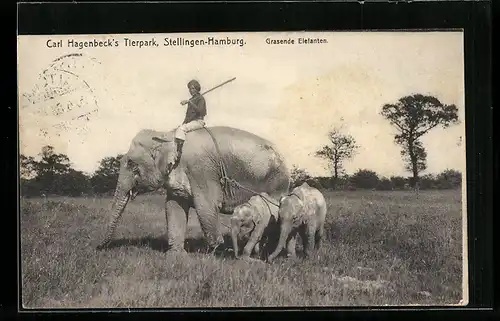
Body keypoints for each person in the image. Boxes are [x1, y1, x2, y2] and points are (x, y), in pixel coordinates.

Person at [153, 79, 207, 170]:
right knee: (178, 129)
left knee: (181, 130)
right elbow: (188, 115)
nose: (191, 90)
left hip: (199, 121)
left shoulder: (200, 99)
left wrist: (190, 103)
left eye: (193, 88)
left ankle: (179, 152)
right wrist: (183, 123)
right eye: (190, 89)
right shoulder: (192, 99)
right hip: (191, 122)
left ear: (197, 89)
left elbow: (201, 112)